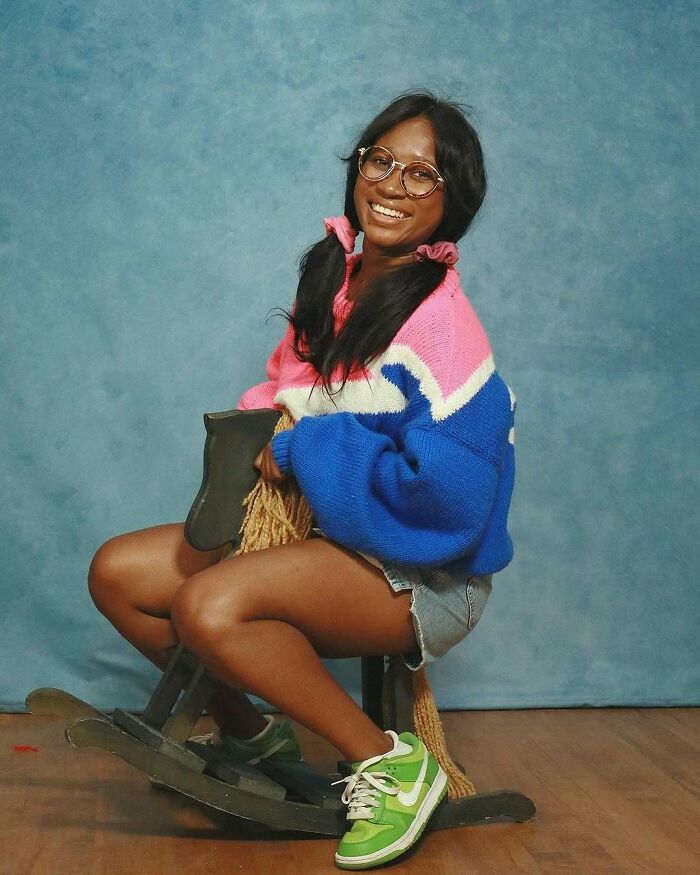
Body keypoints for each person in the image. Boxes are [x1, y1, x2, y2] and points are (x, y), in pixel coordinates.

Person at [87, 89, 516, 870]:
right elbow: (291, 386)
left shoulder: (443, 329)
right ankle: (256, 729)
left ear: (456, 200)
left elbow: (451, 499)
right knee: (118, 573)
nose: (394, 184)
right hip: (334, 538)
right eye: (380, 161)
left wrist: (302, 451)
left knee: (207, 604)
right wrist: (262, 430)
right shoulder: (337, 276)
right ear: (356, 168)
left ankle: (391, 764)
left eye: (423, 175)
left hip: (422, 571)